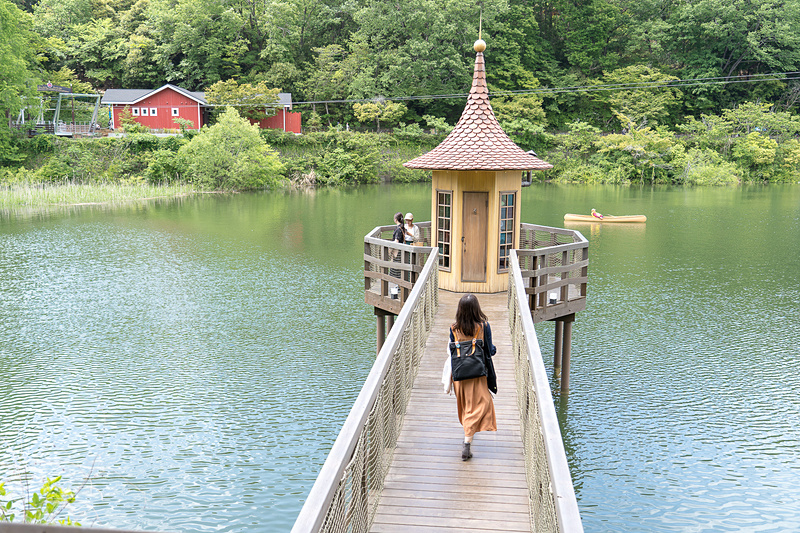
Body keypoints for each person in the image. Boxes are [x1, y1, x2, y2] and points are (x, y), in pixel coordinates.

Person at [449, 294, 497, 460]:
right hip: (477, 374)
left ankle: (468, 435)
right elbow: (489, 350)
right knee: (482, 404)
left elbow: (452, 351)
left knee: (467, 406)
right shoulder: (483, 326)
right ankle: (467, 443)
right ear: (477, 309)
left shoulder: (454, 328)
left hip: (460, 375)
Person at [388, 212, 405, 296]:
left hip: (397, 253)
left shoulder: (398, 229)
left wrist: (390, 249)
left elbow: (396, 241)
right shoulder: (402, 227)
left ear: (395, 219)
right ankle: (398, 286)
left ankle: (397, 287)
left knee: (395, 270)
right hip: (401, 252)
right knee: (398, 270)